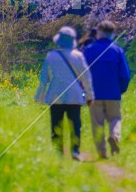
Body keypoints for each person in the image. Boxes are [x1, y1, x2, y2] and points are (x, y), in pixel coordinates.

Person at [34, 26, 94, 161]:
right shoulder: (78, 56)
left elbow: (44, 78)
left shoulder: (51, 56)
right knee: (75, 124)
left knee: (56, 124)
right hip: (75, 96)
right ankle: (75, 150)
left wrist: (39, 96)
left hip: (56, 96)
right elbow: (86, 78)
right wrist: (90, 96)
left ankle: (58, 152)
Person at [83, 20, 130, 158]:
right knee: (115, 118)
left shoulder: (89, 50)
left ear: (99, 32)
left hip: (94, 93)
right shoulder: (117, 51)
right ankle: (115, 136)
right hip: (113, 92)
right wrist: (120, 89)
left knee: (97, 123)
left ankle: (102, 152)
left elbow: (82, 73)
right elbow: (125, 75)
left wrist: (84, 92)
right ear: (112, 34)